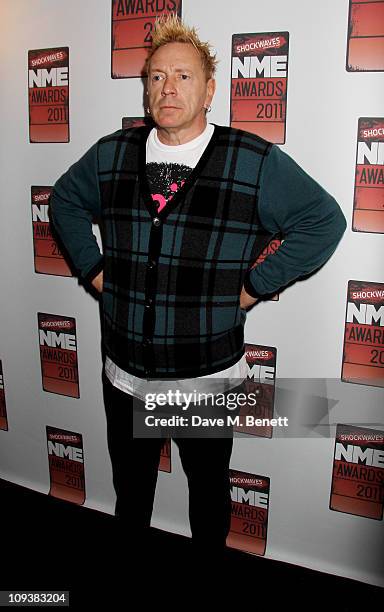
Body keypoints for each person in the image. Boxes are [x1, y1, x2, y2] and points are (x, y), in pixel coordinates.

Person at [50, 15, 346, 560]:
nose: (168, 88)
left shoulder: (252, 161)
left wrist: (256, 285)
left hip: (203, 375)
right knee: (131, 497)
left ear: (210, 89)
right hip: (125, 373)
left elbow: (323, 220)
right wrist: (94, 272)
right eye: (157, 76)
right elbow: (64, 202)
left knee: (208, 496)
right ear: (145, 88)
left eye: (184, 76)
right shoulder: (112, 153)